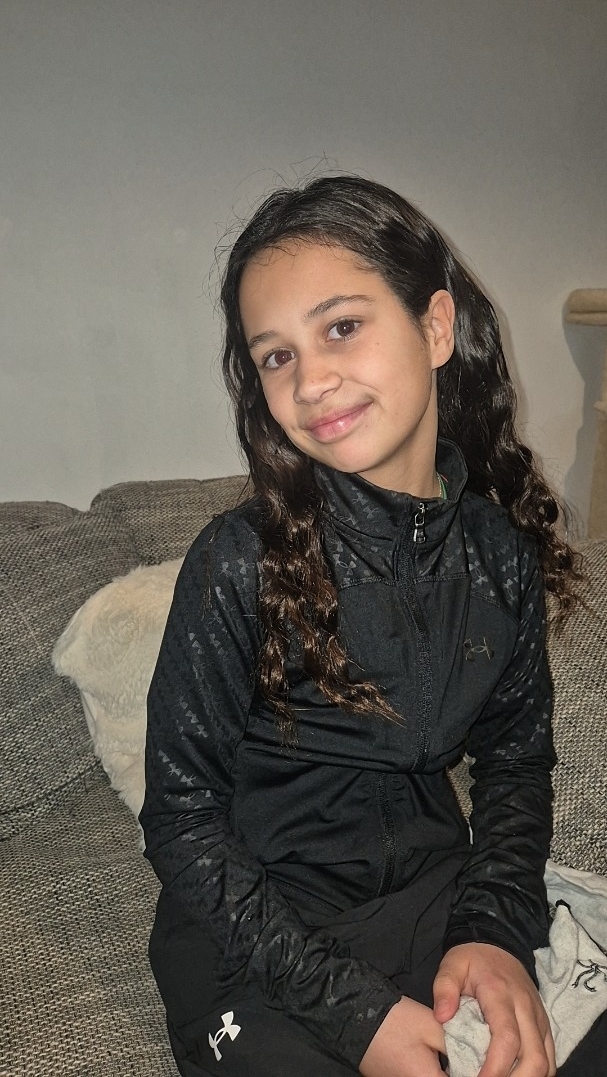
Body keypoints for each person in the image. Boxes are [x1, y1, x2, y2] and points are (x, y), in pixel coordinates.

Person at [140, 175, 584, 1077]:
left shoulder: (497, 557)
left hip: (432, 898)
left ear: (435, 326)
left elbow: (514, 762)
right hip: (252, 937)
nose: (310, 380)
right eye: (275, 356)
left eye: (340, 327)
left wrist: (493, 930)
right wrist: (352, 1013)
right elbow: (181, 821)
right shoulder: (236, 562)